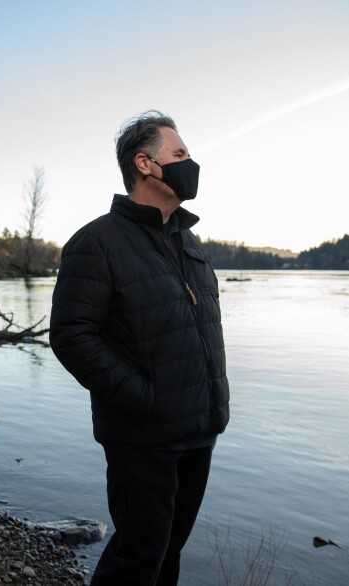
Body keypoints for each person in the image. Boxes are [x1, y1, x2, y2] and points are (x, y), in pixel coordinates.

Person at [49, 110, 230, 585]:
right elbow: (72, 336)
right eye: (181, 154)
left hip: (197, 428)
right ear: (146, 164)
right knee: (138, 555)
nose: (191, 164)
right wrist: (143, 399)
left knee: (168, 553)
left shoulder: (188, 242)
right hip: (143, 433)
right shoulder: (97, 242)